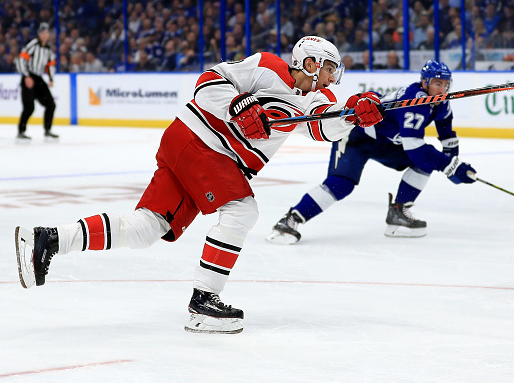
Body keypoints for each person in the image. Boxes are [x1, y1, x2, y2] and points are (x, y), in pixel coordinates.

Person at [14, 36, 385, 334]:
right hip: (203, 142)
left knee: (147, 227)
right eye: (330, 67)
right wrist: (239, 104)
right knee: (242, 210)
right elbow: (207, 83)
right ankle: (204, 301)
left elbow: (324, 124)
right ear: (310, 61)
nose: (333, 76)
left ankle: (47, 240)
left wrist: (356, 112)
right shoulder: (267, 65)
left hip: (190, 148)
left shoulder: (320, 99)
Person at [267, 60, 477, 244]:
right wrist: (450, 166)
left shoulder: (442, 103)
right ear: (425, 83)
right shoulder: (415, 100)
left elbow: (447, 136)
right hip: (357, 136)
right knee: (341, 184)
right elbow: (415, 149)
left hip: (386, 143)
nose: (442, 89)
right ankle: (291, 219)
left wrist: (453, 162)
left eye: (445, 85)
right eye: (437, 84)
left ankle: (398, 212)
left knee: (426, 161)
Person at [15, 22, 59, 140]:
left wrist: (51, 78)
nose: (45, 35)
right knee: (29, 107)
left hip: (38, 78)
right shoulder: (33, 45)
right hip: (29, 76)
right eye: (42, 33)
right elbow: (21, 59)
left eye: (46, 33)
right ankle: (21, 131)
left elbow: (50, 65)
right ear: (39, 34)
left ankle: (47, 129)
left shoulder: (48, 49)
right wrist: (26, 76)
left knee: (51, 104)